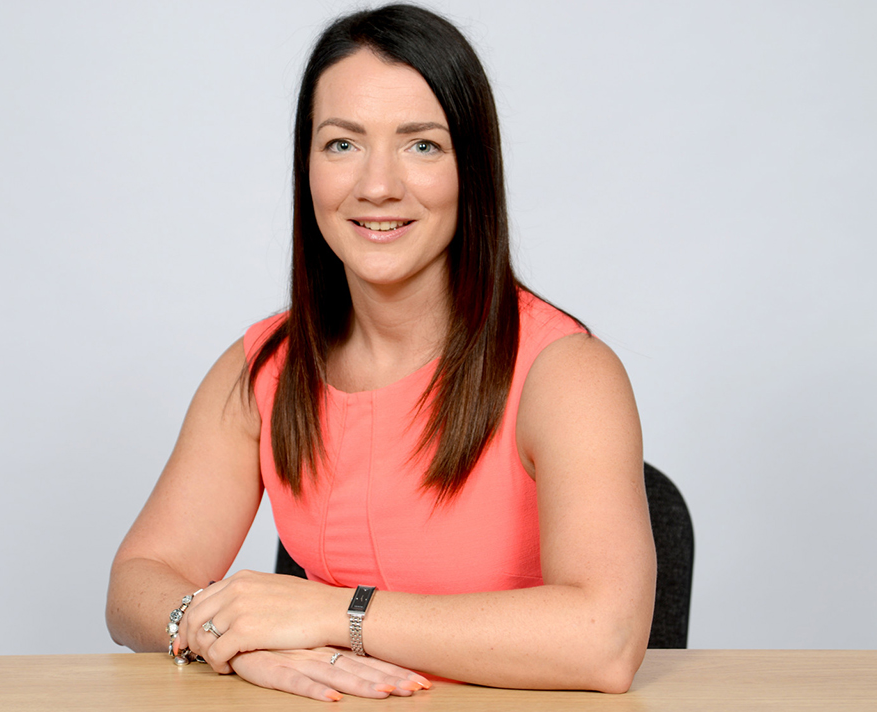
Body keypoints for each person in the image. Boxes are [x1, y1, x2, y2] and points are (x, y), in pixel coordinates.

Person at [105, 4, 654, 702]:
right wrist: (226, 642)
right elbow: (137, 581)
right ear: (307, 165)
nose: (377, 185)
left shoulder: (567, 372)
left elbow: (604, 640)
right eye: (342, 144)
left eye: (422, 145)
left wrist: (330, 613)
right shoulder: (263, 366)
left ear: (472, 170)